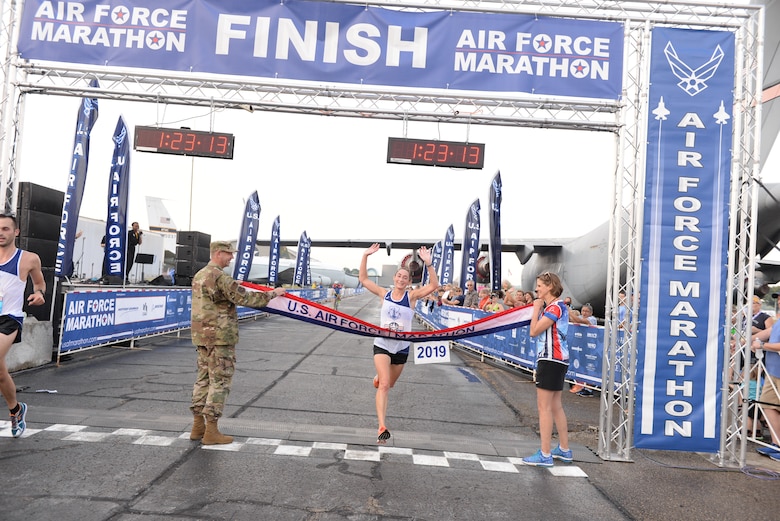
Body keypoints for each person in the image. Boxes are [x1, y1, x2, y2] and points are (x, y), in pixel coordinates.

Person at [189, 241, 286, 445]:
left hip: (202, 337)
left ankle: (198, 426)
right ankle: (211, 430)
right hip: (220, 337)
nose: (231, 258)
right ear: (218, 253)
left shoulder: (200, 274)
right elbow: (246, 298)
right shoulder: (220, 277)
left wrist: (234, 284)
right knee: (220, 381)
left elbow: (221, 295)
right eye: (228, 254)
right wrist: (273, 294)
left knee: (203, 380)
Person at [359, 243, 438, 444]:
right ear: (394, 278)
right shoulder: (383, 294)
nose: (401, 280)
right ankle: (382, 427)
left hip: (401, 347)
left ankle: (379, 376)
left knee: (389, 383)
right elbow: (364, 279)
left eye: (405, 278)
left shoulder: (411, 297)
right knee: (384, 385)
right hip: (383, 344)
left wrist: (429, 264)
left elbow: (433, 286)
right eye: (399, 276)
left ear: (409, 281)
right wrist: (365, 256)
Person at [0, 213, 46, 438]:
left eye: (5, 229)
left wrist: (39, 294)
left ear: (16, 232)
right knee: (1, 373)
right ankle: (16, 410)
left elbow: (39, 283)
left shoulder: (28, 259)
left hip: (9, 318)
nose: (0, 233)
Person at [522, 271, 572, 467]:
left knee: (544, 408)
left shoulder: (554, 307)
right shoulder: (559, 306)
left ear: (550, 286)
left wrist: (536, 309)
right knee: (555, 406)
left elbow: (534, 331)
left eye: (540, 286)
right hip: (559, 360)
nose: (536, 290)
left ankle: (545, 453)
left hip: (550, 359)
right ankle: (564, 449)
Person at [752, 321, 780, 460]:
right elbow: (765, 333)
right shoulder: (777, 323)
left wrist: (762, 345)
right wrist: (743, 341)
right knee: (768, 405)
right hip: (772, 372)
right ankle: (777, 443)